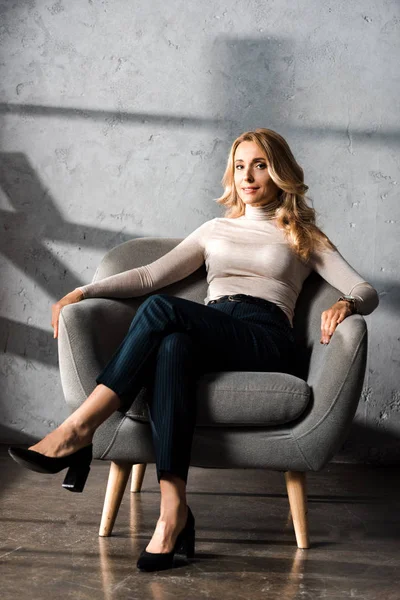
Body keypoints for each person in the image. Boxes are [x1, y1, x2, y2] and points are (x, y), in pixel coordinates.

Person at [8, 128, 379, 572]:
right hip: (215, 326)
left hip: (265, 338)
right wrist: (83, 291)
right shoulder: (215, 229)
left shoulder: (301, 234)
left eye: (260, 165)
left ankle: (78, 429)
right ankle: (172, 514)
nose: (249, 176)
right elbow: (148, 277)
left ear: (280, 172)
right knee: (174, 347)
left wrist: (346, 302)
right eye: (240, 166)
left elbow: (364, 288)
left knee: (166, 313)